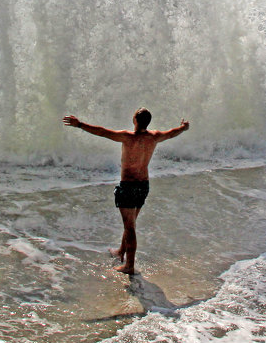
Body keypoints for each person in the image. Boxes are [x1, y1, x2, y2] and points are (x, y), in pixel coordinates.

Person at [62, 108, 189, 274]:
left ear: (135, 120)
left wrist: (79, 124)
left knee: (130, 227)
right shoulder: (154, 137)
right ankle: (121, 252)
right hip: (143, 185)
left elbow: (102, 132)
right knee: (131, 223)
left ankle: (129, 266)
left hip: (129, 186)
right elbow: (172, 133)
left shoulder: (127, 137)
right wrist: (184, 127)